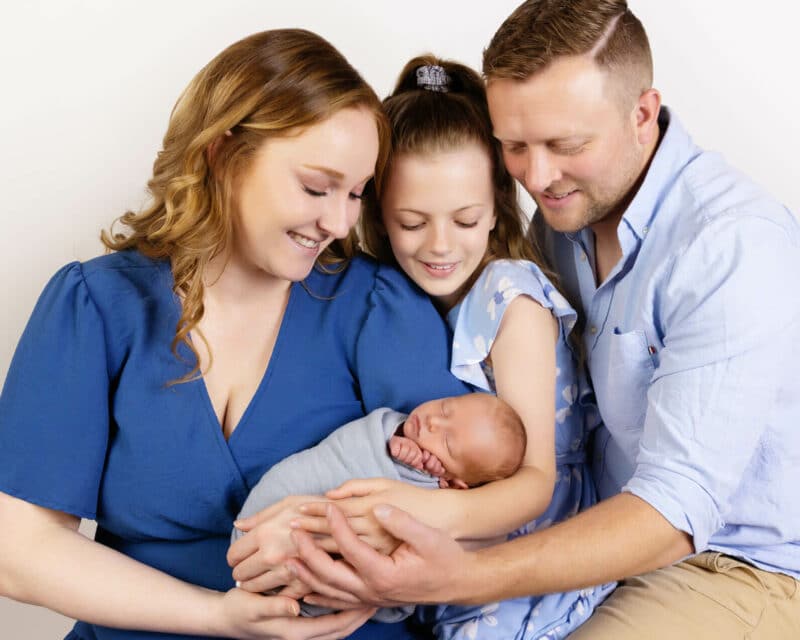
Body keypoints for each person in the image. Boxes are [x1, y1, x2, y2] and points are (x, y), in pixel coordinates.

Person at [286, 2, 800, 638]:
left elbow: (675, 513)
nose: (538, 176)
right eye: (515, 147)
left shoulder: (730, 245)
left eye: (566, 145)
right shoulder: (559, 226)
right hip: (594, 552)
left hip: (731, 565)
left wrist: (455, 574)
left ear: (642, 114)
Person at [0, 28, 474, 640]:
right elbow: (18, 550)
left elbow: (476, 507)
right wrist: (217, 616)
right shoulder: (96, 306)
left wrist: (335, 530)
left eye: (356, 193)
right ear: (223, 154)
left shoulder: (375, 307)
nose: (337, 222)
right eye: (314, 186)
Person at [273, 55, 614, 639]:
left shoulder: (514, 301)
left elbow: (535, 484)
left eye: (465, 218)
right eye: (411, 222)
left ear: (496, 210)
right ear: (376, 210)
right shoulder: (393, 298)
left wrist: (422, 514)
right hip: (439, 560)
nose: (439, 246)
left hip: (524, 560)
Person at [233, 392, 526, 622]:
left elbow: (421, 539)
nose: (434, 422)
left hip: (305, 593)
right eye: (447, 408)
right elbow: (360, 447)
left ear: (457, 485)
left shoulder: (447, 504)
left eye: (447, 443)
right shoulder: (389, 429)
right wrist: (398, 447)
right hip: (268, 515)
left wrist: (423, 477)